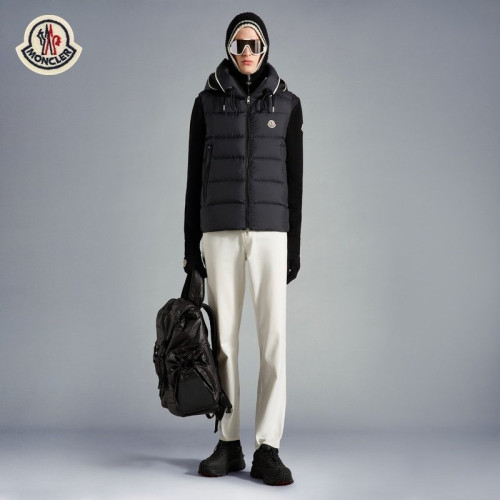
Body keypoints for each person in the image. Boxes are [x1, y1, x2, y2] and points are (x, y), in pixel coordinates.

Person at [183, 12, 303, 486]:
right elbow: (193, 179)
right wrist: (190, 247)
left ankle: (268, 447)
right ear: (229, 49)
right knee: (224, 343)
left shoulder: (288, 104)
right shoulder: (205, 104)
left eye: (254, 43)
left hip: (272, 234)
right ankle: (229, 443)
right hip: (219, 234)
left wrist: (294, 245)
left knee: (273, 342)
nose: (247, 51)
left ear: (265, 47)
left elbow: (296, 182)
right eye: (239, 44)